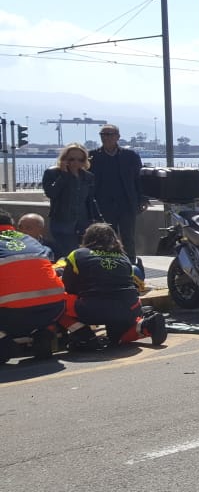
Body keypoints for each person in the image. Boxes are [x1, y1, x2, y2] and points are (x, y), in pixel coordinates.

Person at [55, 223, 166, 349]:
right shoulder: (124, 257)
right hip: (129, 308)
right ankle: (147, 325)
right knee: (116, 338)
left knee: (56, 301)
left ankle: (83, 335)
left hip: (92, 309)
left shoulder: (77, 255)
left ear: (87, 238)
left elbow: (67, 286)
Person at [0, 208, 65, 360]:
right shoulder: (31, 240)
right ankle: (43, 333)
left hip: (12, 315)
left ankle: (4, 343)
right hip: (53, 310)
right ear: (12, 225)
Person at [89, 124, 148, 261]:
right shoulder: (92, 156)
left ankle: (130, 263)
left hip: (126, 203)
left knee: (128, 236)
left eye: (109, 134)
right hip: (103, 204)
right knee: (106, 236)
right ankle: (110, 263)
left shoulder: (130, 156)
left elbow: (139, 179)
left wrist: (143, 199)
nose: (106, 137)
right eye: (103, 134)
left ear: (117, 137)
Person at [42, 143, 101, 259]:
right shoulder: (52, 173)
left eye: (80, 159)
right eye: (72, 159)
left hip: (83, 222)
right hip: (62, 221)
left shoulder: (88, 177)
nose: (76, 162)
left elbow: (90, 199)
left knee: (83, 254)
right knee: (66, 254)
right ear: (64, 159)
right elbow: (51, 193)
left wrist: (98, 218)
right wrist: (64, 175)